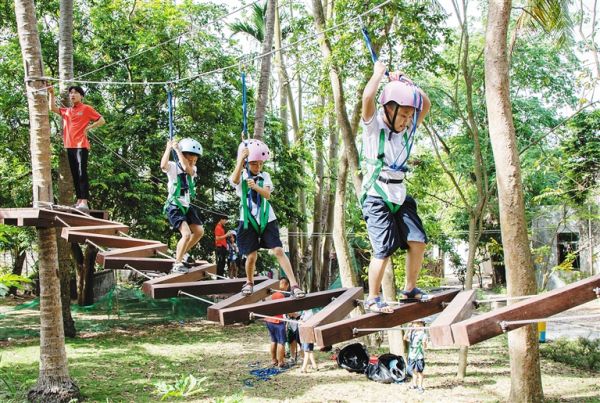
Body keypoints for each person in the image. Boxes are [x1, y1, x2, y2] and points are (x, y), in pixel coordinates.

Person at [360, 61, 431, 313]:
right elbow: (367, 98)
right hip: (376, 195)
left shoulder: (406, 130)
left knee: (418, 240)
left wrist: (406, 81)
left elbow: (426, 103)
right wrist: (379, 75)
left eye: (409, 116)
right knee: (384, 248)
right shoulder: (373, 127)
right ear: (389, 110)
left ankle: (410, 289)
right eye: (402, 115)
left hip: (399, 194)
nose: (406, 120)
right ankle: (372, 297)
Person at [229, 138, 305, 298]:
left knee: (278, 250)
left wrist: (255, 186)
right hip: (247, 219)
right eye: (254, 164)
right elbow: (234, 180)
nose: (258, 167)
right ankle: (249, 282)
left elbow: (267, 194)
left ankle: (294, 284)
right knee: (251, 255)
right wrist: (241, 159)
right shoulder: (242, 175)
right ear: (246, 164)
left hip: (267, 218)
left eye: (260, 164)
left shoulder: (265, 176)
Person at [48, 85, 106, 210]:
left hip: (81, 145)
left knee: (81, 172)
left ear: (81, 96)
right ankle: (79, 200)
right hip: (69, 145)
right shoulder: (67, 111)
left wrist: (88, 128)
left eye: (75, 93)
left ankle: (84, 201)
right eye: (71, 93)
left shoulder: (86, 108)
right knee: (75, 174)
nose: (72, 95)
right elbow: (52, 108)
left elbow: (101, 120)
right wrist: (51, 93)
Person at [160, 138, 205, 273]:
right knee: (185, 234)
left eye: (194, 161)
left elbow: (187, 169)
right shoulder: (173, 167)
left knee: (199, 232)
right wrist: (169, 148)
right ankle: (177, 263)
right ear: (183, 157)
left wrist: (178, 150)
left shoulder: (192, 169)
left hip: (186, 206)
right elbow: (163, 165)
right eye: (190, 160)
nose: (192, 163)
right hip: (174, 205)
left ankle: (182, 252)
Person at [264, 277, 289, 368]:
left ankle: (273, 360)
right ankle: (281, 362)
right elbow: (286, 309)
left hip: (268, 320)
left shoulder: (270, 294)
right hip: (278, 321)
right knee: (281, 342)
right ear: (285, 285)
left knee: (273, 340)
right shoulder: (281, 295)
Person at [404, 320, 428, 393]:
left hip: (419, 356)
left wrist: (423, 346)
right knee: (414, 371)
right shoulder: (412, 333)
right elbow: (405, 338)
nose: (417, 326)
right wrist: (408, 329)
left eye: (419, 324)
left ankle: (420, 386)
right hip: (412, 355)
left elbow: (424, 346)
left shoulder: (423, 334)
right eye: (415, 324)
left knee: (419, 372)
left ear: (422, 326)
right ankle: (414, 385)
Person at [300, 308, 318, 373]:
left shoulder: (310, 313)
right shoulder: (304, 312)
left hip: (308, 334)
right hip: (305, 334)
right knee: (310, 351)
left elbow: (306, 322)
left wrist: (302, 321)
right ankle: (315, 366)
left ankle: (304, 368)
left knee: (307, 352)